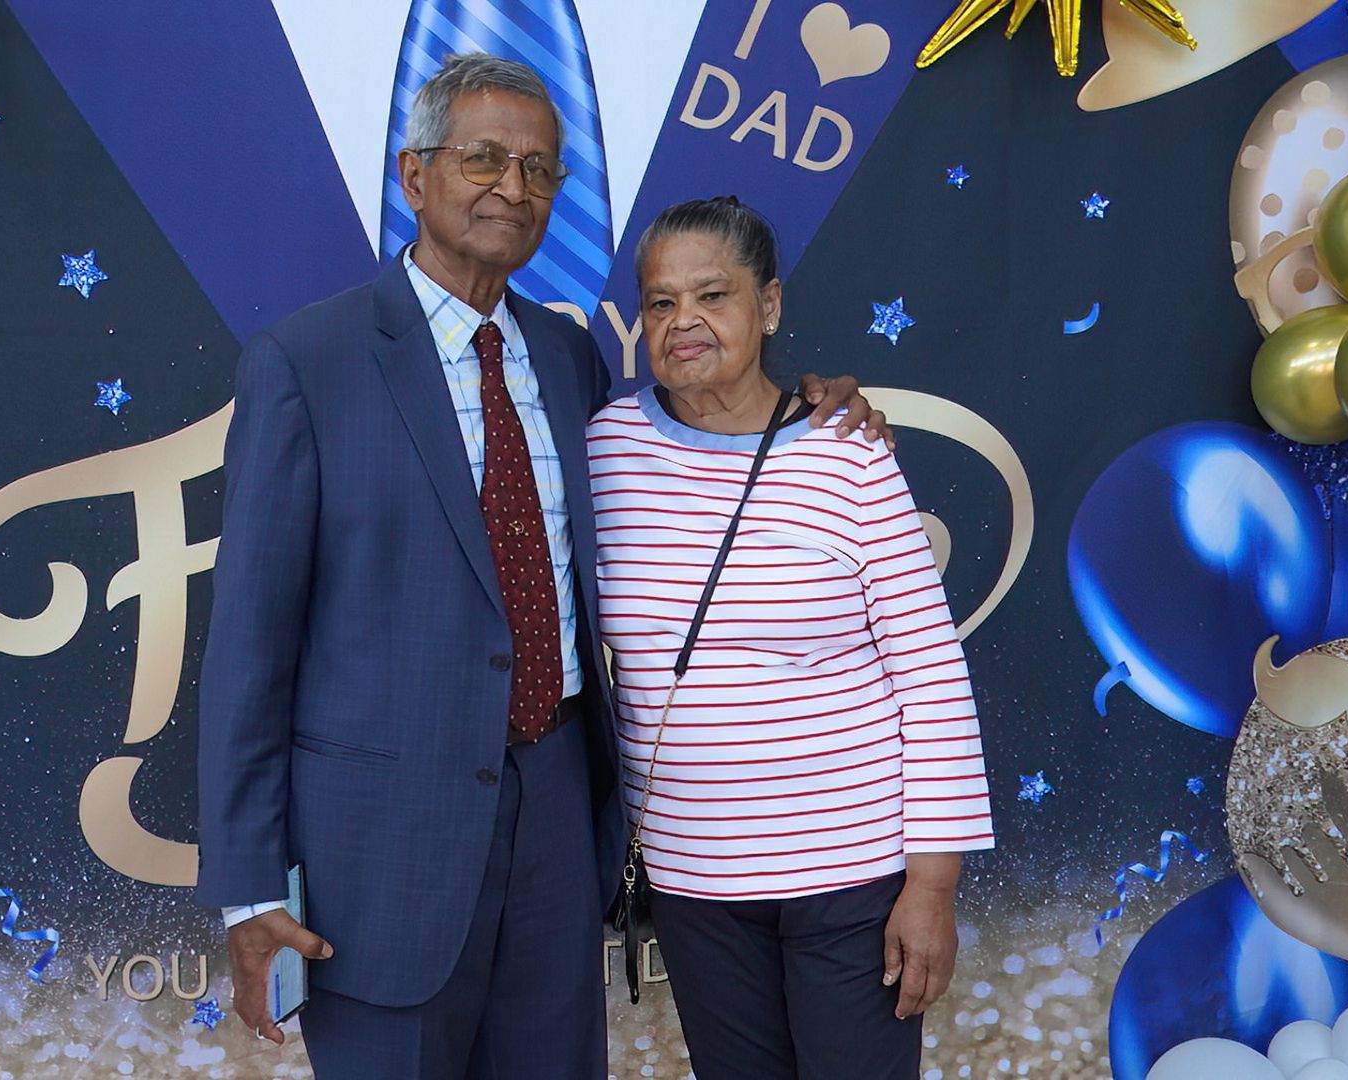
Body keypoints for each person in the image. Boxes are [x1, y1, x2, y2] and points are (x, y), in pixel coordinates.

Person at [196, 55, 890, 1080]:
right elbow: (250, 645)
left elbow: (707, 435)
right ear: (414, 174)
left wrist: (816, 407)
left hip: (561, 817)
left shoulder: (569, 360)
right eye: (483, 159)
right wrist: (250, 889)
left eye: (538, 170)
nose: (512, 188)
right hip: (382, 851)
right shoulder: (307, 364)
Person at [587, 196, 995, 1079]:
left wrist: (933, 884)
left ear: (768, 305)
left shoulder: (848, 451)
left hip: (852, 876)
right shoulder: (604, 450)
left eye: (713, 296)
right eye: (660, 302)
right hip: (692, 881)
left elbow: (931, 675)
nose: (684, 321)